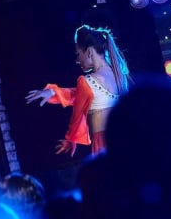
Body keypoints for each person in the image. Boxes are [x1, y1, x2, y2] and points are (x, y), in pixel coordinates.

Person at [25, 25, 130, 156]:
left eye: (78, 54)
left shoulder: (86, 82)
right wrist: (53, 92)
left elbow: (77, 114)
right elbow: (80, 94)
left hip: (103, 143)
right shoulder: (119, 75)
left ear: (89, 52)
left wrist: (71, 138)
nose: (77, 60)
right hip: (124, 139)